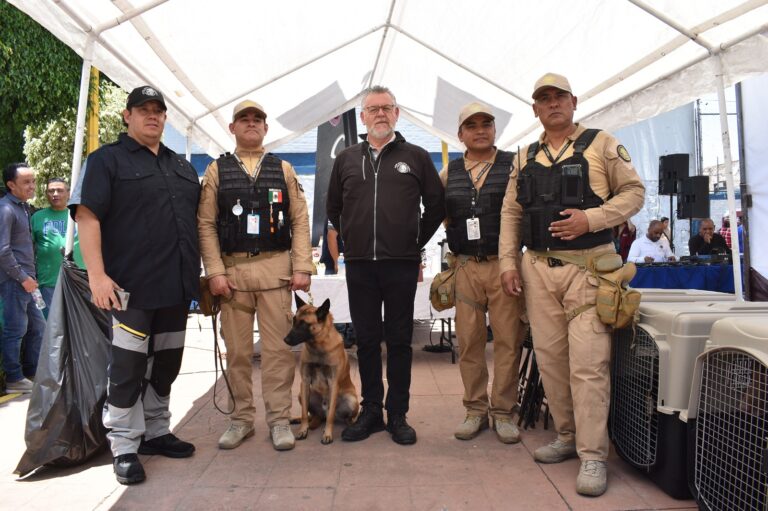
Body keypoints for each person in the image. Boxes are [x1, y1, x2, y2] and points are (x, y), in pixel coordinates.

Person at [499, 73, 645, 496]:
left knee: (588, 364)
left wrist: (592, 218)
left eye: (559, 97)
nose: (552, 104)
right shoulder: (524, 155)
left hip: (588, 270)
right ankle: (566, 436)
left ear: (573, 101)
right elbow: (512, 214)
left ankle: (594, 456)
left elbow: (634, 193)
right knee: (551, 360)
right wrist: (509, 262)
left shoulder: (601, 143)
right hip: (537, 270)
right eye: (544, 99)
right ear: (535, 109)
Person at [72, 85, 200, 485]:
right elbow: (88, 217)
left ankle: (157, 431)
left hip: (176, 288)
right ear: (126, 116)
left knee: (167, 365)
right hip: (129, 290)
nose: (152, 116)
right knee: (127, 369)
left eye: (158, 111)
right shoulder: (105, 161)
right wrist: (96, 275)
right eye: (143, 110)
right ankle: (125, 444)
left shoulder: (182, 166)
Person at [326, 85, 445, 445]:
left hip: (400, 265)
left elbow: (436, 207)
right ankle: (372, 411)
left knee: (398, 342)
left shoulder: (418, 156)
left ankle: (398, 414)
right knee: (365, 341)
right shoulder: (346, 158)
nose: (380, 113)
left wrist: (414, 242)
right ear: (362, 117)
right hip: (361, 266)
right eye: (373, 108)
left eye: (387, 108)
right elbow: (333, 209)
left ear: (397, 114)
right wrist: (353, 242)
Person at [198, 99, 313, 452]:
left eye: (257, 120)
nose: (251, 124)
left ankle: (279, 420)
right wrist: (214, 271)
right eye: (243, 119)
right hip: (232, 275)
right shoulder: (216, 170)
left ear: (266, 128)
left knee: (279, 352)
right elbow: (204, 224)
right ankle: (241, 419)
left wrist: (302, 267)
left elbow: (299, 220)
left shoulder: (285, 169)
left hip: (276, 271)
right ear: (232, 128)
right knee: (237, 352)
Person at [440, 102, 524, 444]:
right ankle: (475, 409)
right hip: (465, 267)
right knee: (470, 342)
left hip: (504, 266)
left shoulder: (515, 164)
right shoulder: (448, 173)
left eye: (486, 123)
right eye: (471, 125)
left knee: (507, 341)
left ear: (494, 129)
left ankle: (503, 412)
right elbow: (441, 214)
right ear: (460, 134)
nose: (480, 130)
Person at [0, 162, 45, 394]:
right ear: (11, 185)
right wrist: (23, 277)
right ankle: (14, 378)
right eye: (26, 182)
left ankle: (31, 372)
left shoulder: (23, 208)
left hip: (28, 283)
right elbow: (2, 251)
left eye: (33, 181)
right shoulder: (6, 209)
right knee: (15, 330)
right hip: (15, 283)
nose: (32, 186)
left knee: (38, 327)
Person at [31, 178, 85, 314]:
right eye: (51, 191)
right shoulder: (37, 217)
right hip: (49, 281)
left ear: (68, 193)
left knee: (78, 321)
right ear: (46, 194)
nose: (55, 194)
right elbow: (29, 248)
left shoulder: (81, 215)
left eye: (60, 190)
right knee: (50, 324)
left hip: (80, 279)